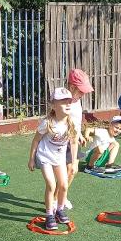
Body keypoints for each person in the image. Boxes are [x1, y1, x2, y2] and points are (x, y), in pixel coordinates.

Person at [28, 88, 77, 231]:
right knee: (51, 185)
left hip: (59, 158)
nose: (68, 104)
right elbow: (36, 140)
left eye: (69, 101)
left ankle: (59, 210)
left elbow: (73, 143)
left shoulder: (71, 122)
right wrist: (31, 158)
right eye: (63, 102)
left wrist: (73, 162)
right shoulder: (47, 123)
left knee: (64, 185)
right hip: (45, 157)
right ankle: (49, 214)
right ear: (53, 105)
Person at [64, 67, 94, 209]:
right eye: (81, 91)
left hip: (74, 140)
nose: (83, 94)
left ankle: (61, 196)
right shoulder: (64, 102)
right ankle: (57, 198)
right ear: (71, 87)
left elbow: (75, 120)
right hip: (64, 141)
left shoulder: (76, 100)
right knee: (70, 170)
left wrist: (80, 134)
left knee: (72, 171)